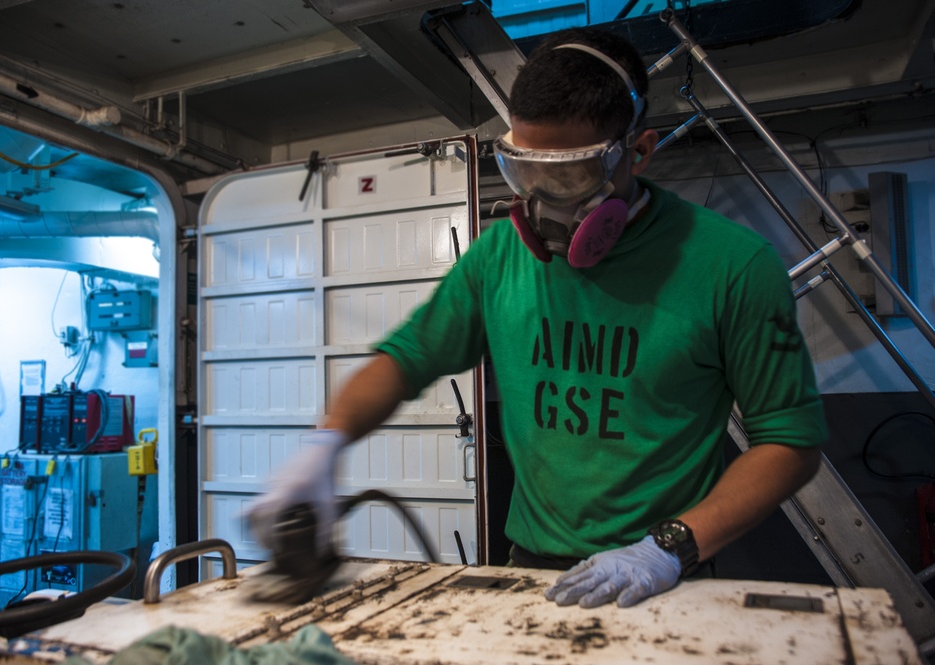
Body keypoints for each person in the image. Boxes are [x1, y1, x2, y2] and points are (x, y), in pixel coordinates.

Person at [248, 27, 827, 610]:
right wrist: (321, 448)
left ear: (639, 150)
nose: (543, 200)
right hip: (529, 572)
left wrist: (667, 549)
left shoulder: (732, 266)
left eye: (570, 175)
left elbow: (790, 443)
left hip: (662, 578)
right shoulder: (500, 257)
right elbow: (406, 359)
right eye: (526, 171)